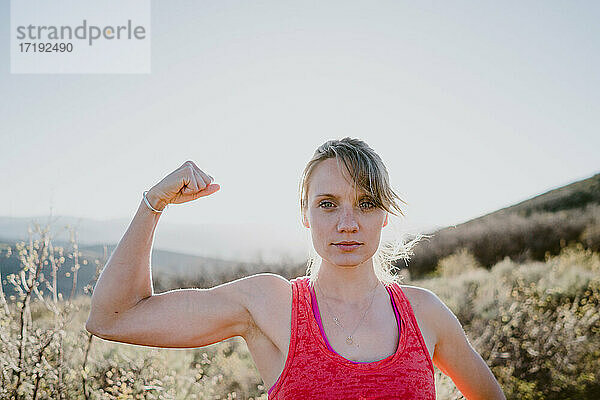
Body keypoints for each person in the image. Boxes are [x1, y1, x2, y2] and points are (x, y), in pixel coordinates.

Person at [86, 137, 506, 399]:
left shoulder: (424, 313)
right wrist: (153, 203)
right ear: (305, 214)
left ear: (385, 215)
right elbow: (113, 317)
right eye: (328, 204)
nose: (347, 223)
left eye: (366, 203)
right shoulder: (269, 303)